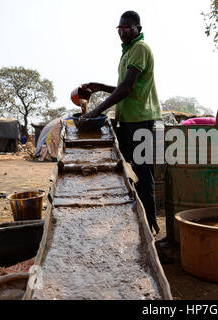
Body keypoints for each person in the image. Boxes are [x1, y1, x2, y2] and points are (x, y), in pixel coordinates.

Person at [81, 11, 161, 234]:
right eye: (120, 29)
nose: (123, 32)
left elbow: (127, 88)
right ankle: (136, 221)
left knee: (143, 173)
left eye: (127, 28)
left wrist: (96, 110)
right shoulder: (127, 51)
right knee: (127, 171)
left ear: (138, 29)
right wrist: (100, 87)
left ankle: (151, 224)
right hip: (127, 120)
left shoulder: (140, 49)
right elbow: (123, 85)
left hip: (141, 120)